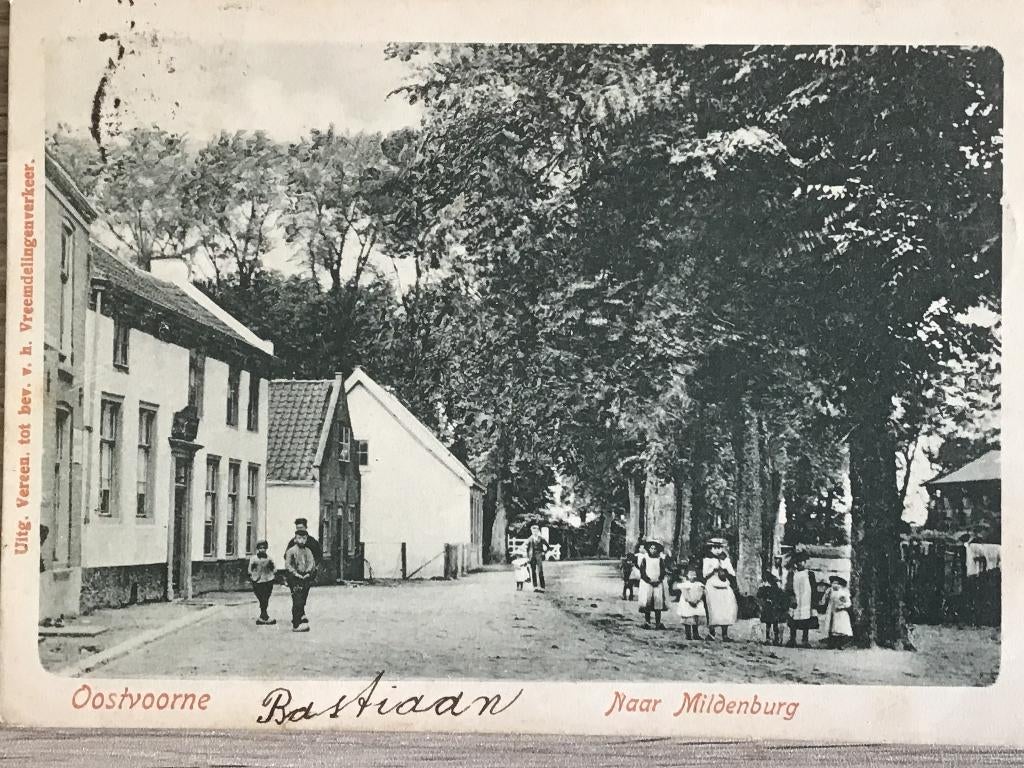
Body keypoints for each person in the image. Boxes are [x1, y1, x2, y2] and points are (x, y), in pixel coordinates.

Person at [283, 517, 321, 623]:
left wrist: (313, 568)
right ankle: (299, 614)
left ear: (306, 527)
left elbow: (318, 556)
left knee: (305, 592)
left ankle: (301, 611)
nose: (300, 529)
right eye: (297, 528)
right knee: (296, 594)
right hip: (295, 574)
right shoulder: (292, 542)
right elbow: (286, 556)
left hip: (308, 573)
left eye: (302, 527)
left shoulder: (312, 542)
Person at [285, 529, 316, 632]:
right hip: (295, 578)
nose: (301, 540)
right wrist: (295, 573)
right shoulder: (291, 551)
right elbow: (288, 565)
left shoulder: (308, 551)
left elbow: (311, 562)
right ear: (295, 539)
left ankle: (300, 616)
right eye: (299, 538)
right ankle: (296, 623)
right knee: (297, 600)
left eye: (304, 538)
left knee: (303, 598)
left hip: (305, 577)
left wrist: (308, 572)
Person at [786, 551, 818, 648]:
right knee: (793, 620)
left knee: (806, 621)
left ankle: (805, 640)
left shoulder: (810, 574)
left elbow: (814, 589)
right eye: (798, 562)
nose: (800, 563)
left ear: (805, 562)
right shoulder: (792, 574)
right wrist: (791, 599)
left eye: (802, 561)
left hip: (806, 601)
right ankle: (792, 639)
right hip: (796, 600)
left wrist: (814, 603)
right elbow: (789, 587)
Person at [638, 541, 668, 629]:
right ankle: (647, 622)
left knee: (658, 602)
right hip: (648, 583)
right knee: (648, 602)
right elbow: (642, 571)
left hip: (657, 583)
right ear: (648, 549)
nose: (653, 550)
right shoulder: (645, 559)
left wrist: (659, 580)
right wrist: (648, 580)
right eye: (651, 548)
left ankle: (658, 622)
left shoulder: (660, 560)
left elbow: (663, 571)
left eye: (655, 549)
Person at [704, 565, 738, 641]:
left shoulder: (726, 582)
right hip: (715, 603)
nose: (722, 573)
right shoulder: (711, 582)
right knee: (713, 616)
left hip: (724, 604)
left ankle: (725, 635)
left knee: (725, 617)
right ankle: (711, 634)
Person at [248, 539, 277, 625]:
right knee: (260, 597)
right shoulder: (253, 558)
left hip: (268, 580)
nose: (262, 550)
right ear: (258, 549)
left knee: (266, 597)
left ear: (266, 548)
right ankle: (264, 615)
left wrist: (274, 572)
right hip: (257, 580)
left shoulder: (269, 558)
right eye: (260, 548)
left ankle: (263, 615)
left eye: (264, 548)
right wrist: (251, 575)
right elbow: (250, 569)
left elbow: (274, 568)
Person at [756, 572, 788, 646]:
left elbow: (780, 595)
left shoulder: (772, 587)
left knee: (771, 623)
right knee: (770, 623)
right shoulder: (766, 586)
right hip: (770, 606)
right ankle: (771, 638)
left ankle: (772, 638)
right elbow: (759, 595)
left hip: (772, 606)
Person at [822, 575, 854, 649]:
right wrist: (826, 596)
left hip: (840, 612)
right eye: (833, 583)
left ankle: (841, 644)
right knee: (832, 627)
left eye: (836, 583)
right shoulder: (830, 591)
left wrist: (842, 606)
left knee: (840, 628)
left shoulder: (843, 592)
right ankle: (832, 643)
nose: (834, 585)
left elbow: (848, 603)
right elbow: (824, 600)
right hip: (831, 611)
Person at [676, 567, 706, 640]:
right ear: (687, 576)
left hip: (696, 602)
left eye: (694, 576)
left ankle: (696, 634)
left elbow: (701, 593)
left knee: (695, 619)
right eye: (690, 575)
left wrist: (696, 601)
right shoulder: (685, 584)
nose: (692, 577)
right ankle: (688, 635)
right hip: (687, 603)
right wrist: (689, 601)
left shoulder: (699, 584)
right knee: (687, 619)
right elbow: (685, 593)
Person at [525, 525, 550, 592]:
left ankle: (542, 587)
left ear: (538, 531)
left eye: (536, 531)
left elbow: (548, 546)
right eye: (533, 531)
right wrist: (527, 557)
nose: (534, 532)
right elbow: (527, 549)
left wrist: (544, 552)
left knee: (540, 571)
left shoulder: (541, 538)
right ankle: (535, 587)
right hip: (532, 557)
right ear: (531, 531)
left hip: (539, 556)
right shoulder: (530, 539)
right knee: (533, 571)